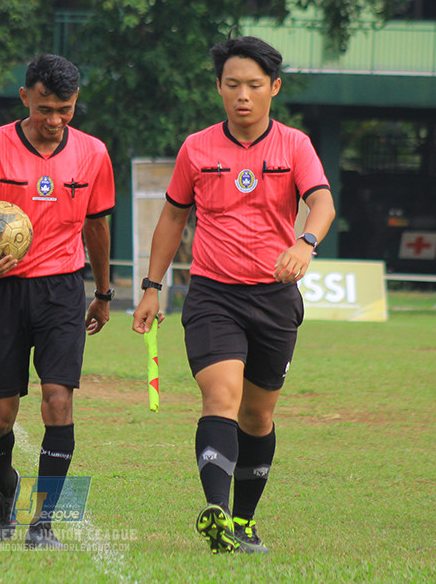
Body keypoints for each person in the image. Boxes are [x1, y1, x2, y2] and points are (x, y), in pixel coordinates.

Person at [132, 36, 335, 554]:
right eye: (232, 84)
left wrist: (305, 243)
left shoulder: (295, 146)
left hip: (274, 298)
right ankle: (217, 513)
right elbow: (174, 216)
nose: (242, 95)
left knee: (258, 416)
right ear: (219, 88)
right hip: (213, 295)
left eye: (253, 85)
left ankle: (244, 520)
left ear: (274, 88)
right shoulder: (197, 148)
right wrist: (152, 288)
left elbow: (322, 203)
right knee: (220, 397)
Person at [0, 54, 115, 549]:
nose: (55, 120)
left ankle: (44, 522)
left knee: (58, 401)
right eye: (45, 109)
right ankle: (4, 487)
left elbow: (98, 227)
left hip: (63, 289)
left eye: (65, 109)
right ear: (25, 98)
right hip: (4, 289)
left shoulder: (93, 154)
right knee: (0, 416)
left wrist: (103, 294)